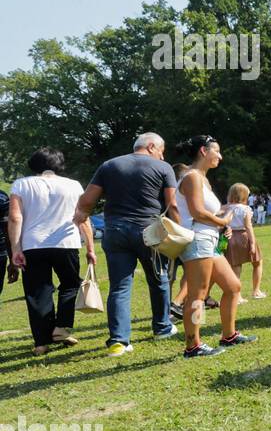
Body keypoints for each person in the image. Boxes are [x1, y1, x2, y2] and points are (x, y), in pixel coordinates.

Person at [73, 132, 181, 355]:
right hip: (149, 231)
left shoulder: (109, 165)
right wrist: (179, 232)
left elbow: (86, 200)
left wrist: (81, 216)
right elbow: (173, 205)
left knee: (119, 286)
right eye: (161, 150)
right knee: (159, 279)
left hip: (115, 231)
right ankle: (162, 327)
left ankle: (118, 341)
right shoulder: (164, 168)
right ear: (151, 146)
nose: (162, 156)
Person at [7, 148, 96, 355]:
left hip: (33, 244)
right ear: (59, 164)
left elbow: (15, 218)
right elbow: (83, 217)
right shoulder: (73, 185)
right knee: (71, 284)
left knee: (37, 292)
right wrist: (90, 247)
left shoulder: (21, 184)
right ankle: (62, 327)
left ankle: (41, 342)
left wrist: (16, 249)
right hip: (66, 242)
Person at [175, 136, 256, 358]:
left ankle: (228, 335)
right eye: (216, 151)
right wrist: (223, 221)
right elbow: (197, 212)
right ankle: (193, 346)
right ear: (203, 151)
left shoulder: (203, 179)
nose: (219, 156)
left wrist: (222, 219)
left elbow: (209, 211)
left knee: (233, 287)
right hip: (198, 241)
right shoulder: (191, 177)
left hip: (209, 241)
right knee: (198, 295)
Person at [220, 183, 266, 300]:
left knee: (236, 267)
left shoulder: (224, 208)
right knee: (257, 262)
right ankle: (256, 291)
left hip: (229, 237)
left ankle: (237, 296)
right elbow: (248, 227)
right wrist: (252, 243)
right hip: (243, 236)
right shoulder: (245, 209)